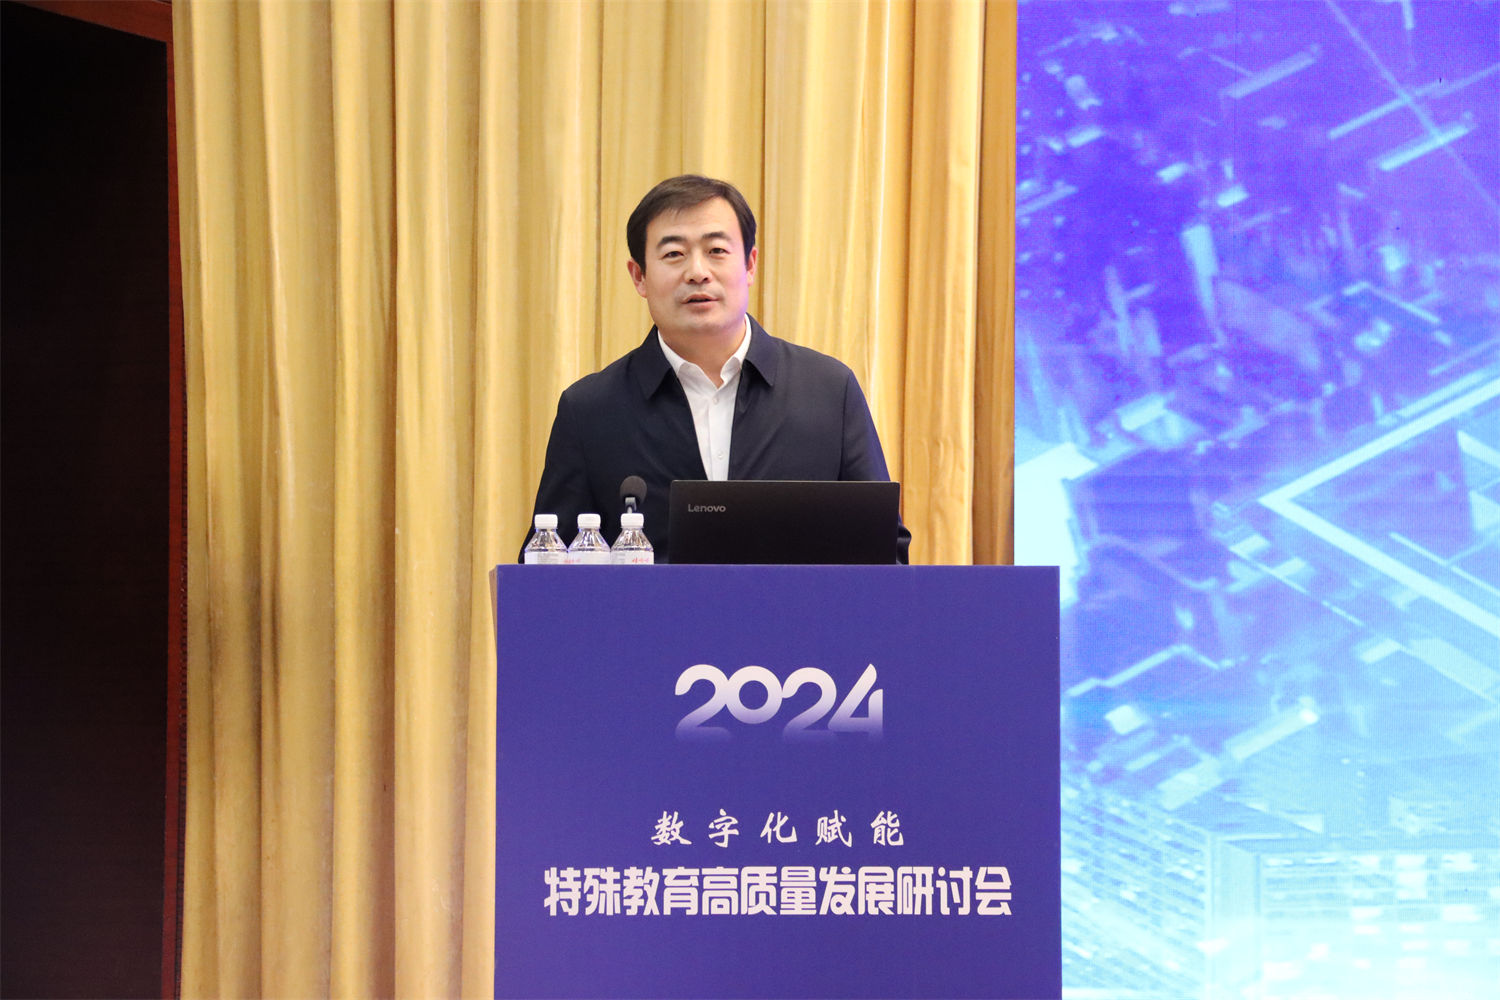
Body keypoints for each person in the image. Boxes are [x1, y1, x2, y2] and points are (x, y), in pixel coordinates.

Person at [521, 174, 909, 562]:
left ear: (750, 265)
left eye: (717, 250)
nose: (697, 271)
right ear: (639, 276)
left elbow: (885, 553)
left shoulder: (828, 392)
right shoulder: (591, 410)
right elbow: (545, 564)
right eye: (674, 254)